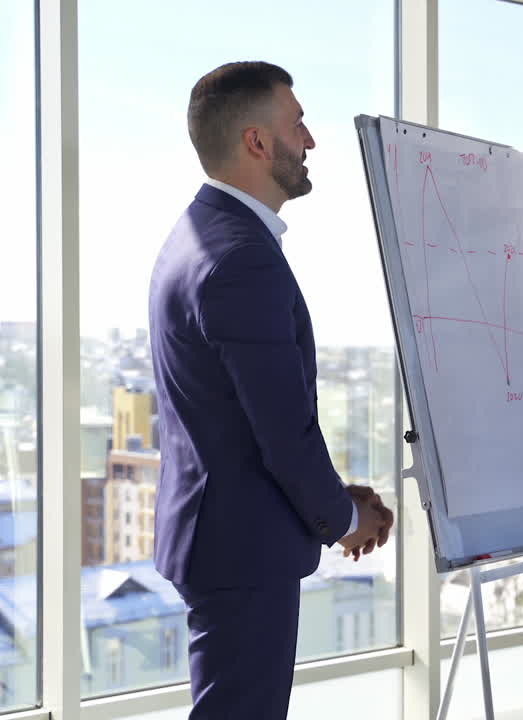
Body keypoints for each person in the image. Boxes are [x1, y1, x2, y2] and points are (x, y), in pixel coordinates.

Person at [148, 61, 393, 719]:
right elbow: (282, 430)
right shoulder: (239, 256)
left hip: (223, 537)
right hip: (240, 550)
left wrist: (336, 500)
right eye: (298, 123)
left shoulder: (199, 236)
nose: (309, 141)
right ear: (257, 142)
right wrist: (343, 519)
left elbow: (238, 418)